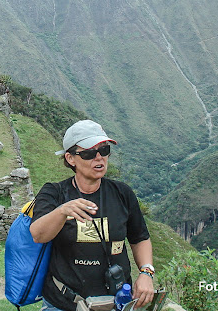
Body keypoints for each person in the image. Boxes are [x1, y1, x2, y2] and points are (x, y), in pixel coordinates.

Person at [30, 120, 154, 311]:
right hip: (64, 303)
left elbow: (140, 238)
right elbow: (38, 234)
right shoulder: (53, 193)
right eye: (89, 153)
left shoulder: (122, 193)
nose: (99, 158)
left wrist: (146, 272)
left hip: (117, 302)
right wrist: (63, 211)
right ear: (71, 158)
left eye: (104, 150)